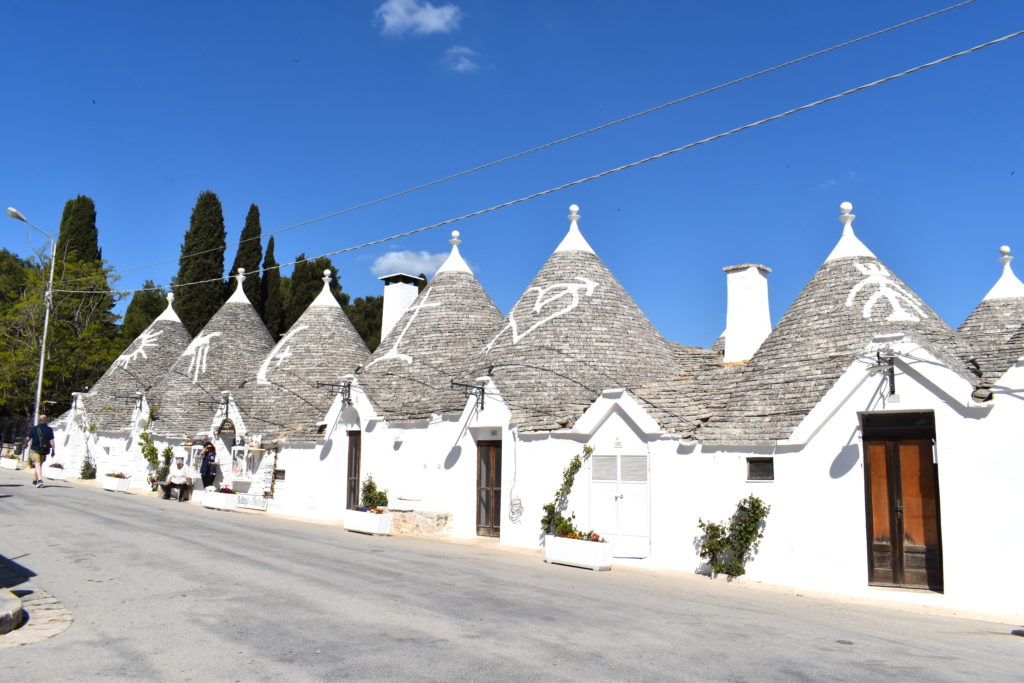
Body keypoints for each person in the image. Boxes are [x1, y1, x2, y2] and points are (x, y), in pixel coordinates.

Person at [25, 414, 55, 489]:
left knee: (37, 464)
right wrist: (53, 450)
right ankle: (35, 480)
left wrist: (25, 444)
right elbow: (52, 441)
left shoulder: (34, 428)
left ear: (39, 420)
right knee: (39, 464)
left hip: (35, 449)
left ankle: (39, 480)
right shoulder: (50, 429)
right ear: (46, 420)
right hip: (44, 450)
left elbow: (28, 438)